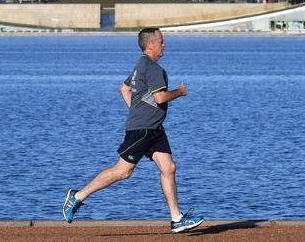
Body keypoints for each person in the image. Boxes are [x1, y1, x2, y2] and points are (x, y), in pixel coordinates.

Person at [62, 27, 204, 233]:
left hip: (154, 129)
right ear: (150, 45)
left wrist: (137, 110)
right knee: (123, 171)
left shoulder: (142, 65)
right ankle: (76, 197)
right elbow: (160, 98)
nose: (164, 45)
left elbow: (124, 88)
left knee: (169, 168)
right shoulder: (154, 69)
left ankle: (177, 219)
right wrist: (180, 92)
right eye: (161, 42)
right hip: (143, 130)